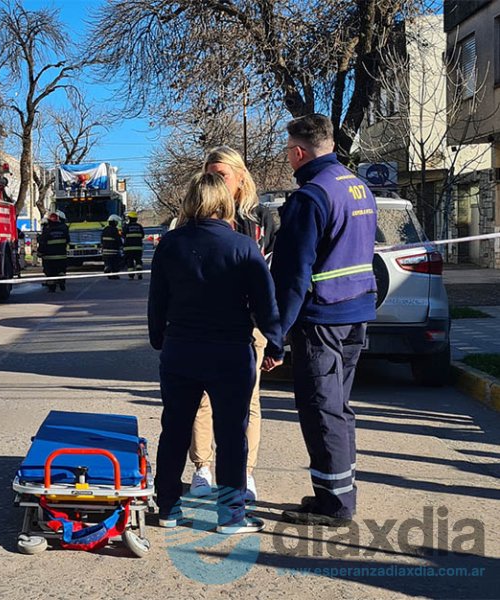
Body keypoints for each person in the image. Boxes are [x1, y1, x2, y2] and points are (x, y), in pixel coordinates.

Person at [149, 172, 282, 534]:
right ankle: (230, 515)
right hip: (230, 353)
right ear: (225, 203)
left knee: (174, 429)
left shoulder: (169, 245)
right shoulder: (243, 247)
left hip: (181, 350)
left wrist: (159, 338)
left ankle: (168, 508)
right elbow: (265, 303)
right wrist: (276, 342)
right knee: (231, 435)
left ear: (191, 202)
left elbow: (157, 300)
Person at [265, 114, 378, 527]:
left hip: (323, 319)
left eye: (288, 151)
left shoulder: (311, 198)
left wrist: (275, 337)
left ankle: (336, 505)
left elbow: (293, 277)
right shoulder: (358, 186)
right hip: (356, 312)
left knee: (321, 408)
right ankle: (337, 492)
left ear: (298, 151)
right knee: (338, 408)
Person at [188, 146, 278, 502]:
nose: (217, 182)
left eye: (222, 174)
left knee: (247, 401)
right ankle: (202, 468)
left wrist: (274, 334)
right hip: (202, 324)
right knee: (202, 400)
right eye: (210, 174)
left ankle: (245, 473)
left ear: (241, 176)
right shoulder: (193, 220)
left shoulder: (261, 220)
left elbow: (272, 280)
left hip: (248, 326)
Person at [38, 210, 70, 292]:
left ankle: (52, 288)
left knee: (50, 273)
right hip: (61, 256)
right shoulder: (64, 228)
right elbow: (68, 240)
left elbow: (42, 242)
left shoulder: (46, 230)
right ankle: (62, 281)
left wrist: (40, 252)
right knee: (61, 270)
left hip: (49, 258)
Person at [122, 211, 145, 279]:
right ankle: (139, 272)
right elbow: (142, 235)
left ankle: (131, 275)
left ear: (129, 218)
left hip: (128, 248)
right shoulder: (139, 226)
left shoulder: (126, 226)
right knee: (138, 260)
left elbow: (123, 235)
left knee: (130, 261)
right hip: (138, 248)